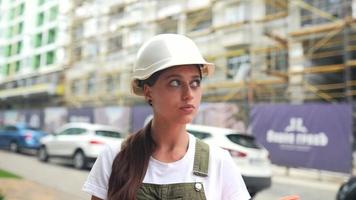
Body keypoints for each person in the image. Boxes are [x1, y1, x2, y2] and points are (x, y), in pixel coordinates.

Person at [82, 34, 251, 200]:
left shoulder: (218, 162)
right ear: (148, 92)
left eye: (195, 83)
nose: (189, 94)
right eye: (175, 83)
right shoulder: (114, 157)